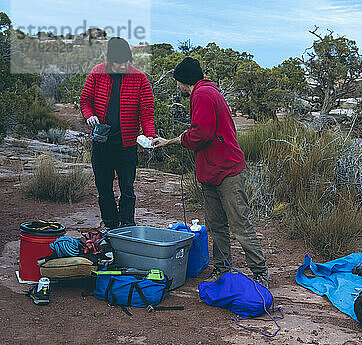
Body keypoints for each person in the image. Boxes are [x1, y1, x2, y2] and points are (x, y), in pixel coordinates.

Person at [152, 57, 270, 288]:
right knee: (216, 225)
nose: (177, 86)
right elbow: (202, 131)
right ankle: (221, 268)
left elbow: (201, 134)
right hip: (212, 171)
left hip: (227, 171)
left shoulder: (203, 95)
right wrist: (173, 141)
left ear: (184, 81)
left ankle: (260, 272)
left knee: (239, 225)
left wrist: (175, 141)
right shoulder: (204, 93)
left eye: (177, 81)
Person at [80, 37, 155, 230]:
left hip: (127, 145)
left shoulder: (140, 78)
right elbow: (85, 101)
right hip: (101, 143)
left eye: (126, 62)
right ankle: (111, 226)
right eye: (119, 63)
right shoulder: (97, 73)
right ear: (110, 60)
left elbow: (147, 111)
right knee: (104, 188)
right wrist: (89, 115)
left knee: (127, 189)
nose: (123, 66)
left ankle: (128, 225)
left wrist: (150, 136)